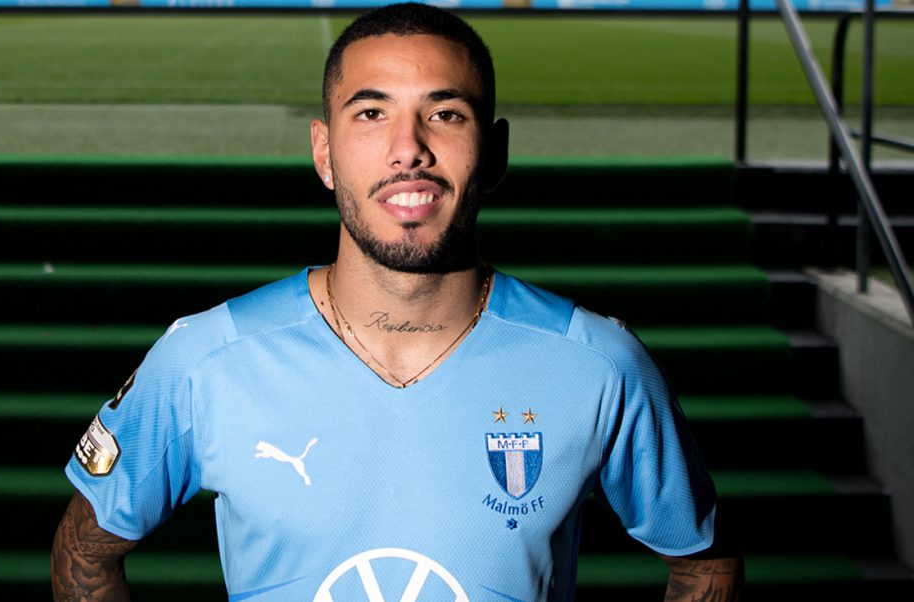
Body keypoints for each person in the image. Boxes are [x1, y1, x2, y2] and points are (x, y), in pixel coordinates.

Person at [51, 3, 742, 600]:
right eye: (371, 113)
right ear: (324, 152)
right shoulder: (204, 360)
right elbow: (84, 551)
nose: (408, 149)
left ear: (495, 152)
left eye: (445, 114)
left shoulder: (600, 365)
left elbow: (705, 563)